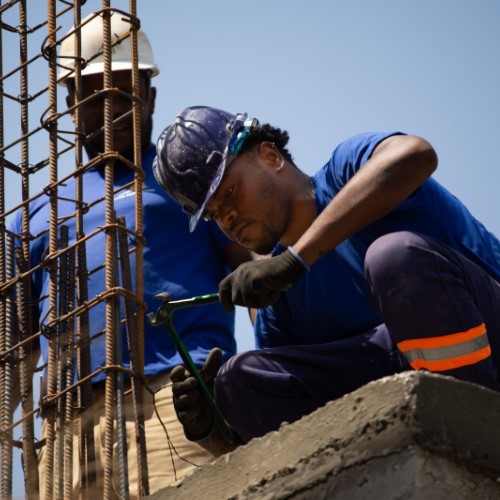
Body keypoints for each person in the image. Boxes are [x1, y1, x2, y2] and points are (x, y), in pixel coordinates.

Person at [153, 105, 500, 446]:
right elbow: (284, 417)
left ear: (271, 157)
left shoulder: (346, 169)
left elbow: (417, 154)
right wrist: (212, 425)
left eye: (229, 191)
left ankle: (474, 435)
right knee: (239, 379)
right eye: (213, 215)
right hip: (407, 389)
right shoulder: (280, 299)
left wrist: (296, 260)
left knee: (393, 257)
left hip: (487, 337)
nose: (226, 217)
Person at [10, 16, 250, 497]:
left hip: (178, 400)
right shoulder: (35, 214)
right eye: (94, 95)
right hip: (68, 424)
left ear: (151, 98)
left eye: (125, 92)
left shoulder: (188, 183)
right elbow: (16, 347)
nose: (111, 107)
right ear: (72, 108)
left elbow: (258, 267)